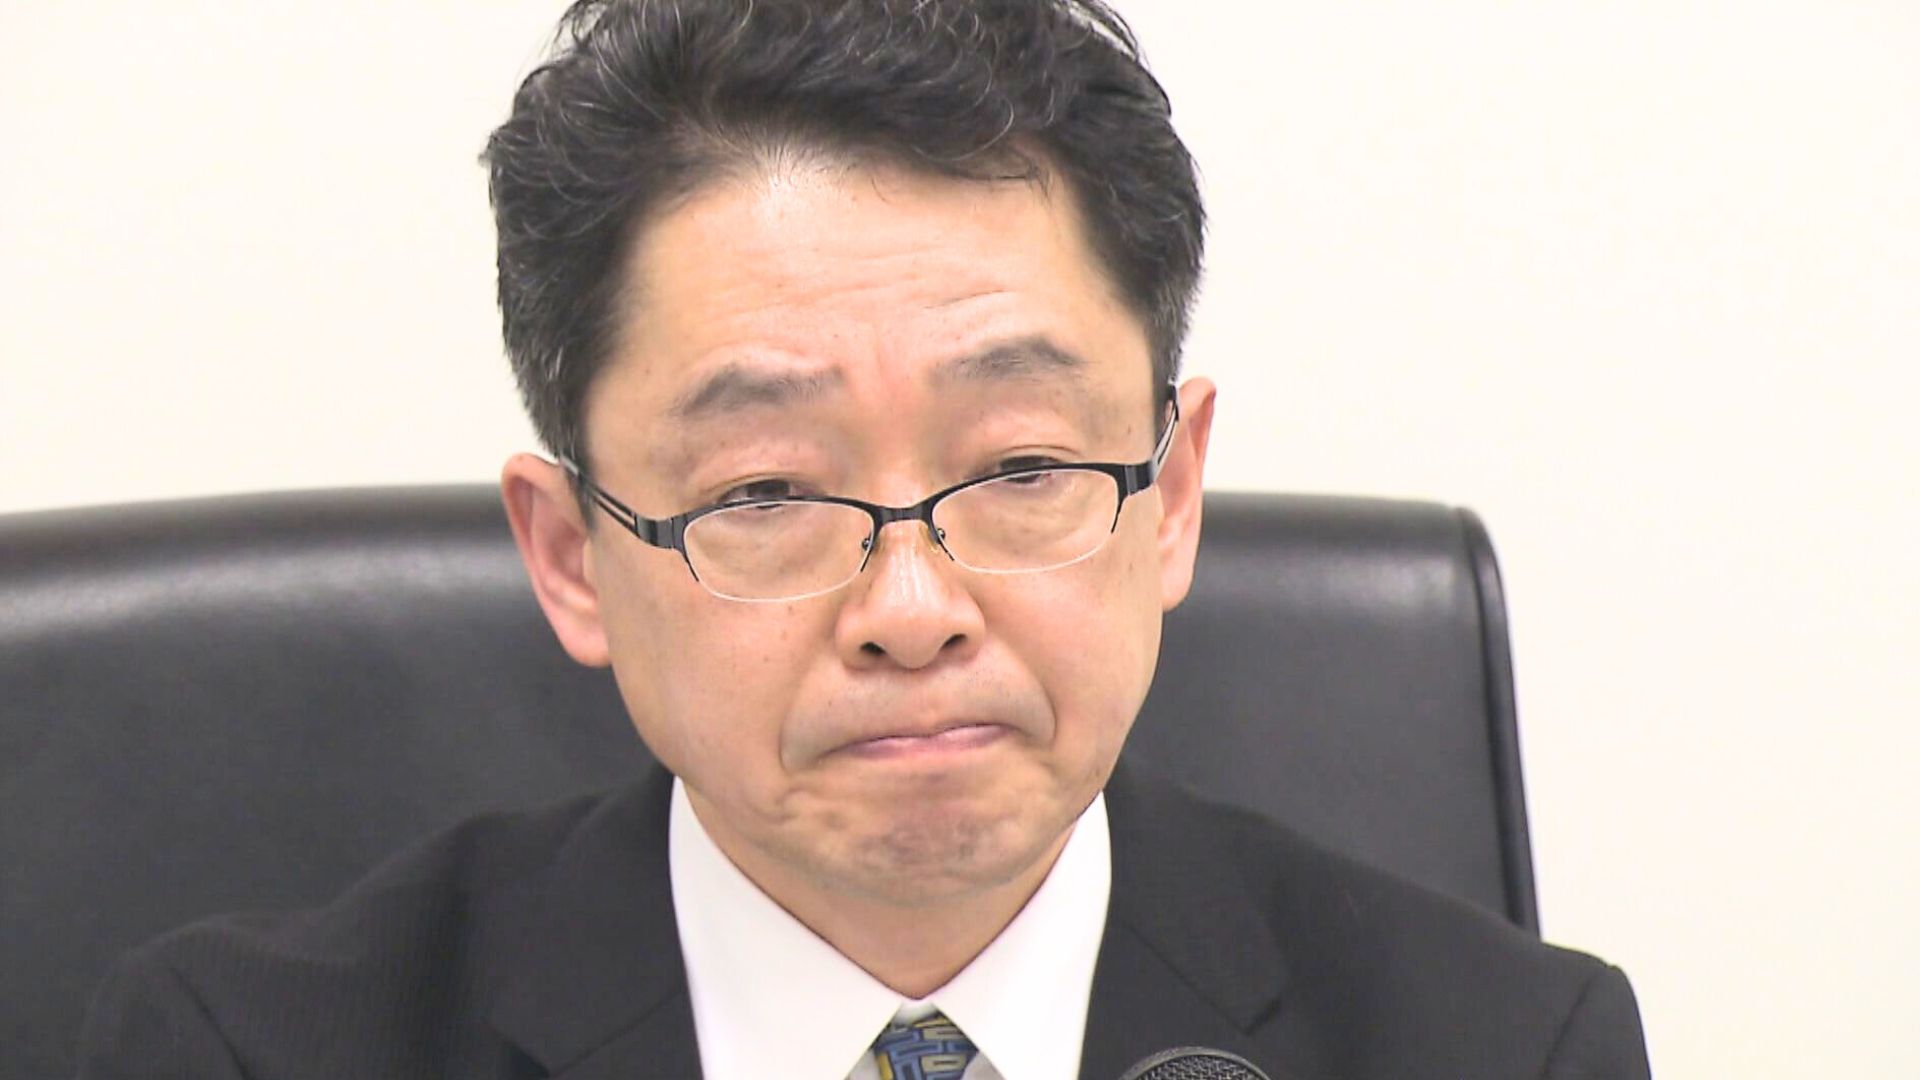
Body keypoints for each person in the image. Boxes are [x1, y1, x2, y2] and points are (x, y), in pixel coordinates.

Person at [75, 1, 1652, 1077]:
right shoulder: (246, 1051)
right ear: (570, 557)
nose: (912, 606)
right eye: (765, 492)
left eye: (1021, 465)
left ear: (1170, 496)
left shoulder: (1505, 1049)